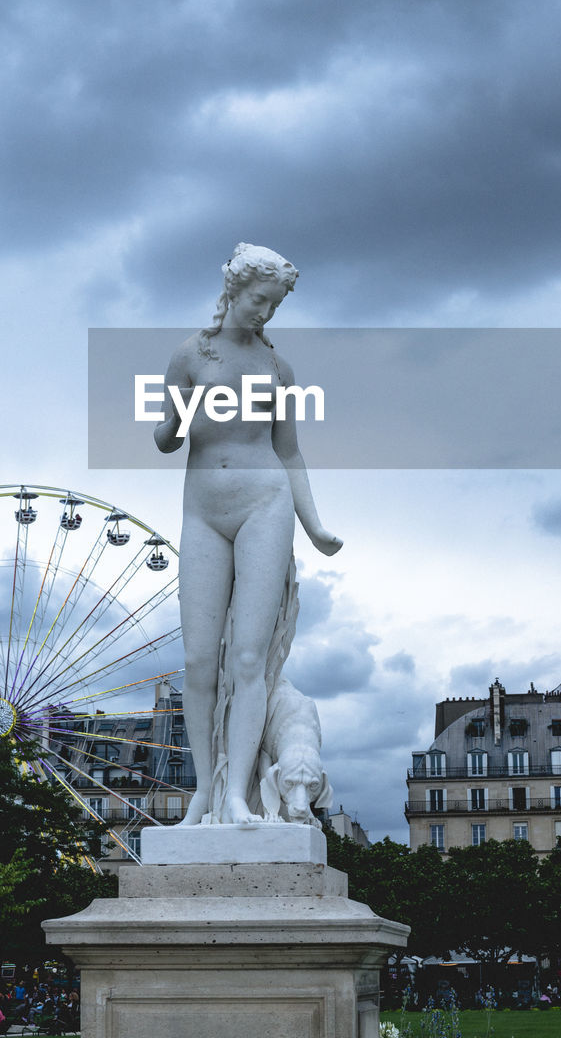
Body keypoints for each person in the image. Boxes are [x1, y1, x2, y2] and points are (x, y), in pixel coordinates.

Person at [156, 242, 341, 825]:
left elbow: (289, 451)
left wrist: (314, 525)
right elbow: (166, 440)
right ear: (235, 289)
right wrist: (180, 413)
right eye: (261, 300)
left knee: (248, 659)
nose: (266, 313)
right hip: (204, 512)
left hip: (266, 504)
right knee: (195, 662)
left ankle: (236, 794)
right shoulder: (190, 355)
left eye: (276, 305)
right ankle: (204, 795)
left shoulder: (277, 368)